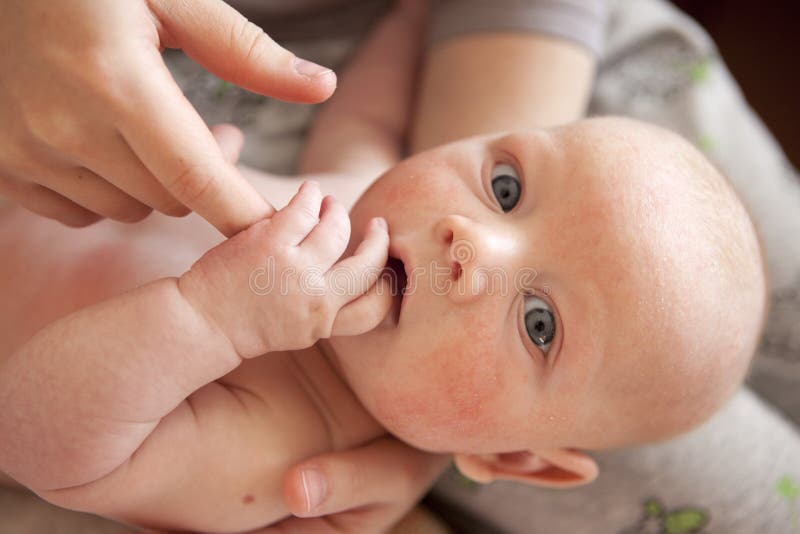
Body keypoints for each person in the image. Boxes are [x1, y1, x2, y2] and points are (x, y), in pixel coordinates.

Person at [0, 2, 765, 532]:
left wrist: (209, 320)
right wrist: (410, 21)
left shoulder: (288, 448)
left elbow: (42, 450)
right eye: (506, 188)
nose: (473, 245)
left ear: (510, 455)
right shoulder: (361, 208)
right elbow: (363, 128)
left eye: (540, 325)